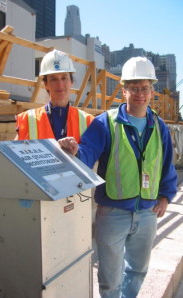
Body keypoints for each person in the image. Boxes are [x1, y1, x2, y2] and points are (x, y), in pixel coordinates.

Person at [58, 57, 177, 298]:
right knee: (110, 279)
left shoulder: (159, 126)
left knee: (138, 271)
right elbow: (88, 151)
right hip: (112, 214)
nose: (140, 94)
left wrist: (165, 196)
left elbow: (166, 164)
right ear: (124, 91)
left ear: (152, 91)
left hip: (147, 212)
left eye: (144, 88)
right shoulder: (106, 123)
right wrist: (75, 151)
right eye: (134, 88)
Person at [15, 49, 94, 141]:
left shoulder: (88, 121)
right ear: (46, 84)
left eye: (64, 78)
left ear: (71, 82)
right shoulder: (28, 120)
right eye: (53, 79)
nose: (60, 84)